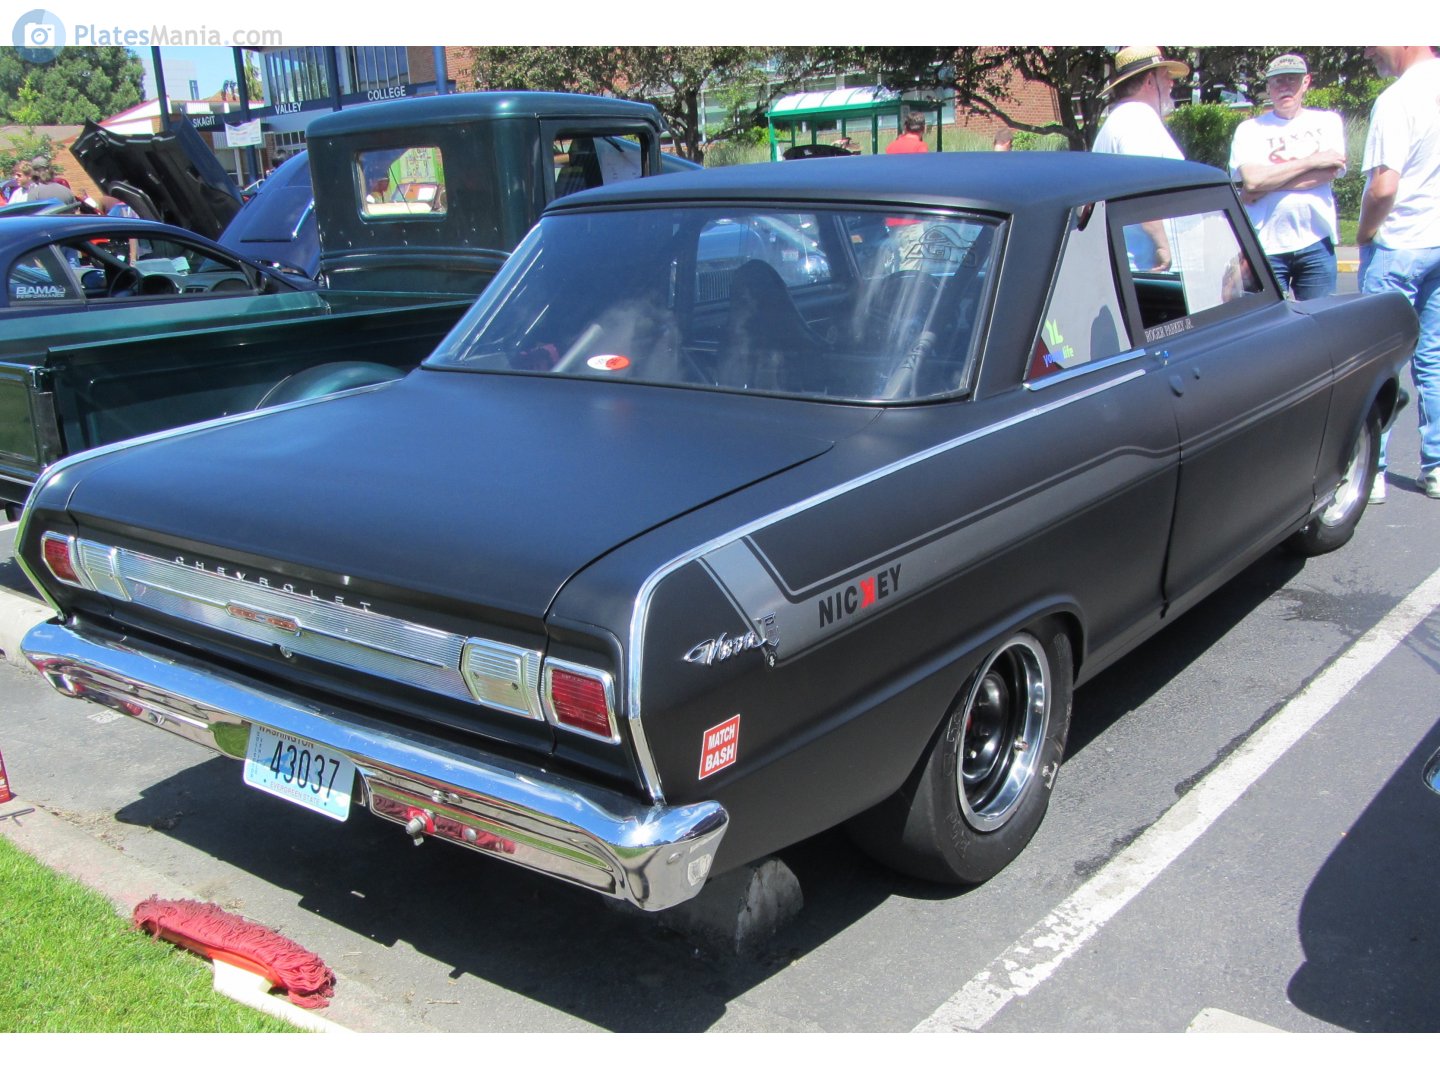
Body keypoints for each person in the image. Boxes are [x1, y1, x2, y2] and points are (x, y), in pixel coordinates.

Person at [1358, 46, 1440, 503]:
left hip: (1399, 244)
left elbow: (1384, 186)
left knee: (1378, 363)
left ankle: (1373, 469)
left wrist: (1366, 231)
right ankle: (1437, 465)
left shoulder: (1398, 98)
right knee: (1433, 359)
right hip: (1437, 241)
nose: (1370, 50)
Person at [1229, 54, 1346, 300]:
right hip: (1265, 245)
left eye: (1292, 80)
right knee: (1266, 327)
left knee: (1320, 324)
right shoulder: (1249, 130)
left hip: (1316, 242)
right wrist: (1312, 161)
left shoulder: (1327, 122)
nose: (1285, 87)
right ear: (1269, 87)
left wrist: (1264, 185)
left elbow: (1329, 172)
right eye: (1278, 81)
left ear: (1306, 83)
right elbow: (1251, 180)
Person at [1092, 46, 1188, 159]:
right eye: (1166, 76)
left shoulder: (1121, 118)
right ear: (1150, 81)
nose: (1171, 83)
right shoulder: (1138, 120)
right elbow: (1147, 174)